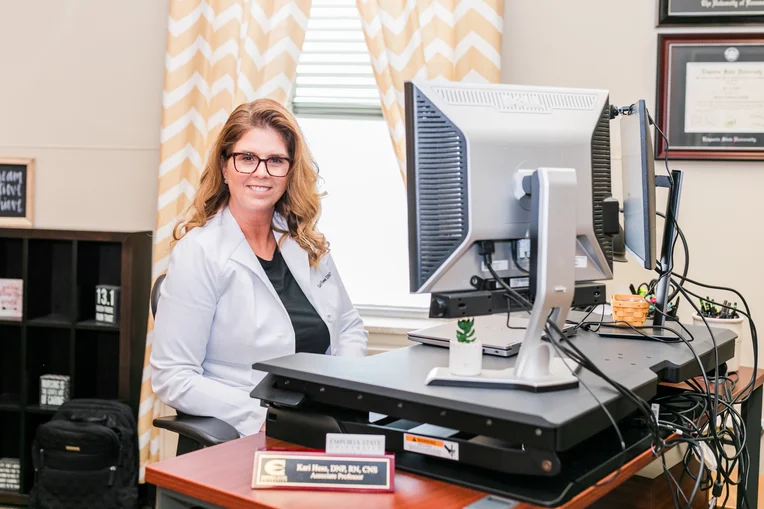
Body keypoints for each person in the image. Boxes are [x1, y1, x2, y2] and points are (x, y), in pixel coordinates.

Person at [150, 99, 368, 437]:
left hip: (326, 418)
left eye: (276, 160)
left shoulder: (304, 241)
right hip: (254, 429)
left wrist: (344, 387)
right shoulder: (201, 252)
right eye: (247, 158)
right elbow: (172, 376)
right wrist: (263, 419)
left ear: (290, 171)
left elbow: (349, 325)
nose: (261, 171)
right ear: (225, 167)